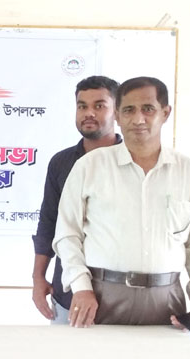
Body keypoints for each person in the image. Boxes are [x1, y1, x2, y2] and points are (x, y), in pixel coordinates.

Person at [53, 76, 190, 327]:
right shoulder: (90, 166)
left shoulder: (189, 172)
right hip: (100, 296)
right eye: (129, 110)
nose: (138, 119)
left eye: (148, 109)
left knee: (163, 355)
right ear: (117, 116)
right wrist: (81, 286)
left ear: (165, 113)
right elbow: (67, 233)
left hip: (167, 299)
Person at [32, 75, 121, 323]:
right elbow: (49, 222)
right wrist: (38, 277)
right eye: (82, 106)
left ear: (117, 112)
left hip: (120, 298)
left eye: (99, 106)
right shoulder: (61, 163)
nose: (88, 113)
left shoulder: (133, 162)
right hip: (68, 294)